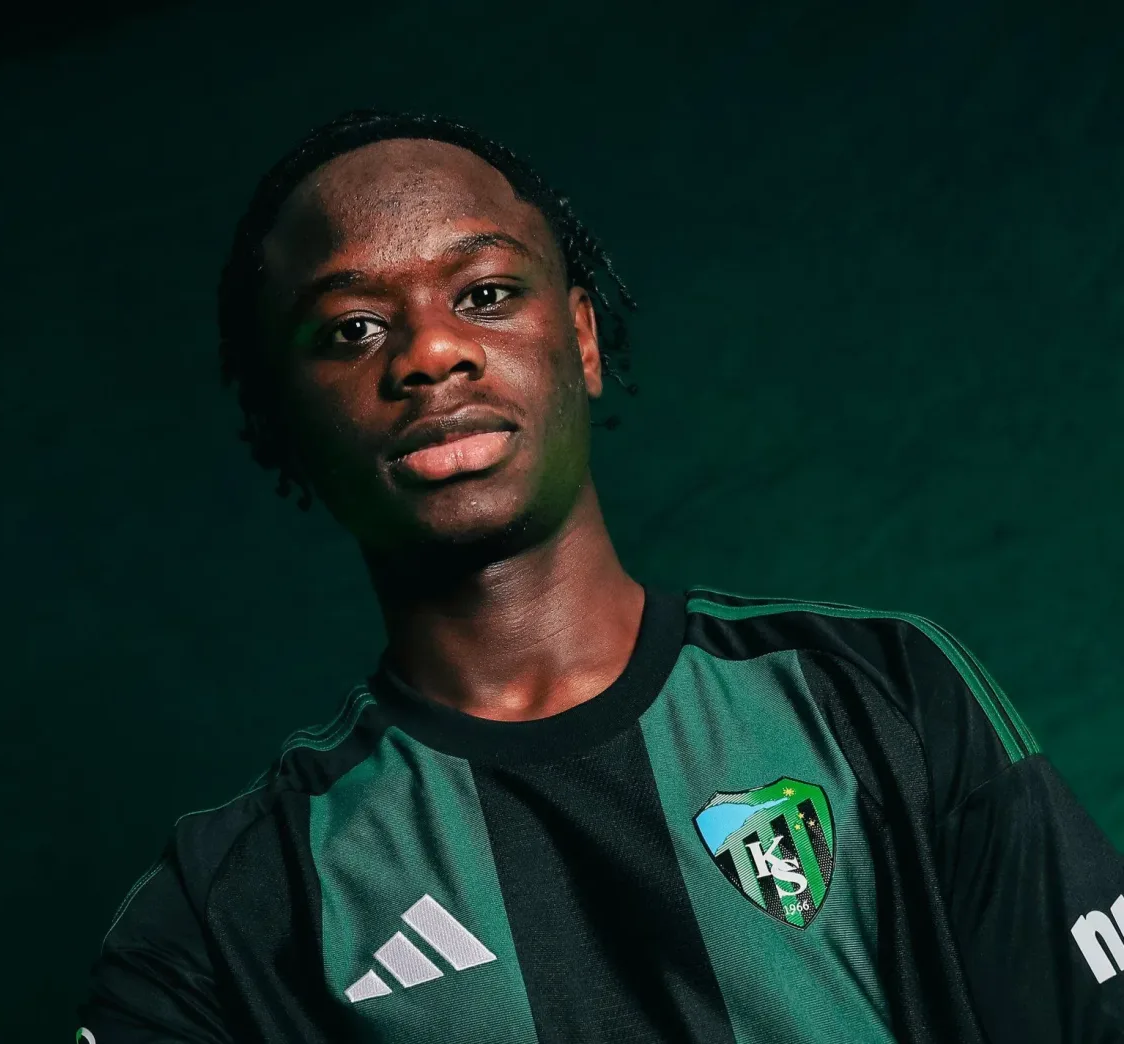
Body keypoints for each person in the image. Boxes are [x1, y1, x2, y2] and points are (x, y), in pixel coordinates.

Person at [77, 109, 1124, 1044]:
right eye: (354, 328)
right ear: (284, 418)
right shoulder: (235, 906)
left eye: (485, 294)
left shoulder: (876, 692)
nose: (431, 352)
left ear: (580, 339)